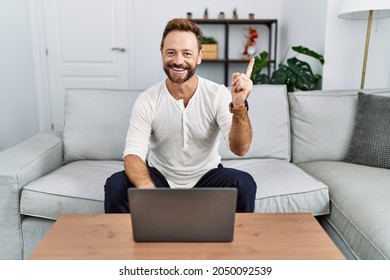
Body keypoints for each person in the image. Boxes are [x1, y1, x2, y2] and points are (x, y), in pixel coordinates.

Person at [104, 18, 257, 213]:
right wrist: (148, 190)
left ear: (200, 56)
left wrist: (239, 106)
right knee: (115, 185)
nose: (178, 61)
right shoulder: (147, 100)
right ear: (162, 54)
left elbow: (240, 149)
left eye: (187, 53)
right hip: (160, 179)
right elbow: (133, 154)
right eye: (171, 52)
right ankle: (126, 243)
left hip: (206, 177)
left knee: (244, 183)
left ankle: (236, 243)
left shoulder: (217, 94)